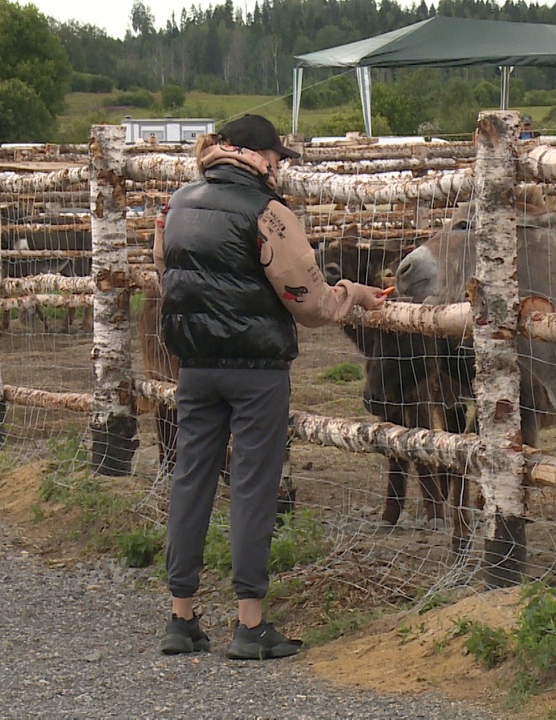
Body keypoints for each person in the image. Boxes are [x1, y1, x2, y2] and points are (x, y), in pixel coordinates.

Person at [153, 114, 389, 660]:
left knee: (191, 478)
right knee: (254, 487)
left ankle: (181, 616)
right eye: (276, 158)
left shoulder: (178, 203)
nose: (279, 167)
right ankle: (250, 623)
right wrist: (353, 293)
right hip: (255, 369)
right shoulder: (268, 213)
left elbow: (164, 269)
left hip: (193, 363)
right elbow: (308, 302)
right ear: (257, 156)